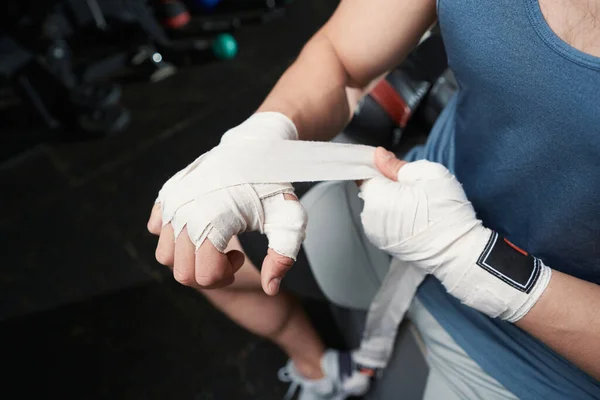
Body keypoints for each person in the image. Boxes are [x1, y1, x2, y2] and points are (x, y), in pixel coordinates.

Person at [147, 0, 600, 399]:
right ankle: (320, 371)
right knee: (199, 242)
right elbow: (342, 59)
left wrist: (473, 260)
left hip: (542, 351)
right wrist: (261, 138)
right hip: (407, 209)